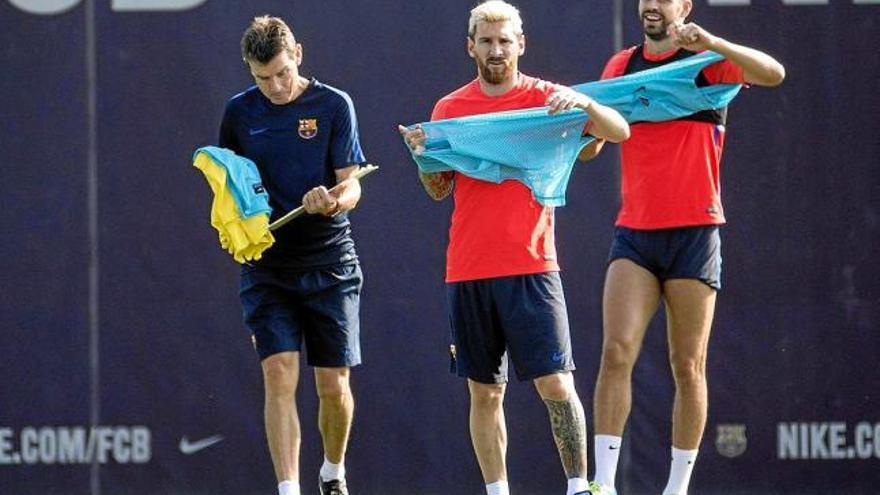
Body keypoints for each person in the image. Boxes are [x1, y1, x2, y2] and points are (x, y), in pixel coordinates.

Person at [399, 2, 629, 495]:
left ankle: (577, 487)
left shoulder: (550, 98)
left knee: (557, 386)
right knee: (485, 393)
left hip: (532, 265)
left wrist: (583, 105)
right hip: (467, 269)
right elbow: (438, 189)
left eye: (505, 40)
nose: (496, 50)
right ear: (470, 47)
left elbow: (619, 130)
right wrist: (422, 158)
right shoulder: (449, 109)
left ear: (521, 43)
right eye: (486, 41)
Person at [585, 2, 786, 494]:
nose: (652, 5)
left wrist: (712, 43)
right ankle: (603, 485)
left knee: (688, 365)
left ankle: (677, 489)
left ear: (684, 6)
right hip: (635, 232)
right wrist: (583, 130)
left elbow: (774, 73)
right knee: (615, 352)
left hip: (695, 232)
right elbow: (595, 143)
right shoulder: (620, 66)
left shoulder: (710, 62)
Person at [218, 15, 368, 495]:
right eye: (262, 78)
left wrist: (332, 200)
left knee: (333, 387)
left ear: (298, 54)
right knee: (279, 374)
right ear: (249, 70)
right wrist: (239, 225)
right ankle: (288, 489)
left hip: (330, 264)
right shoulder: (239, 114)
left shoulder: (334, 105)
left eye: (282, 72)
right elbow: (230, 189)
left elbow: (353, 187)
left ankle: (332, 471)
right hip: (268, 269)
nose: (276, 86)